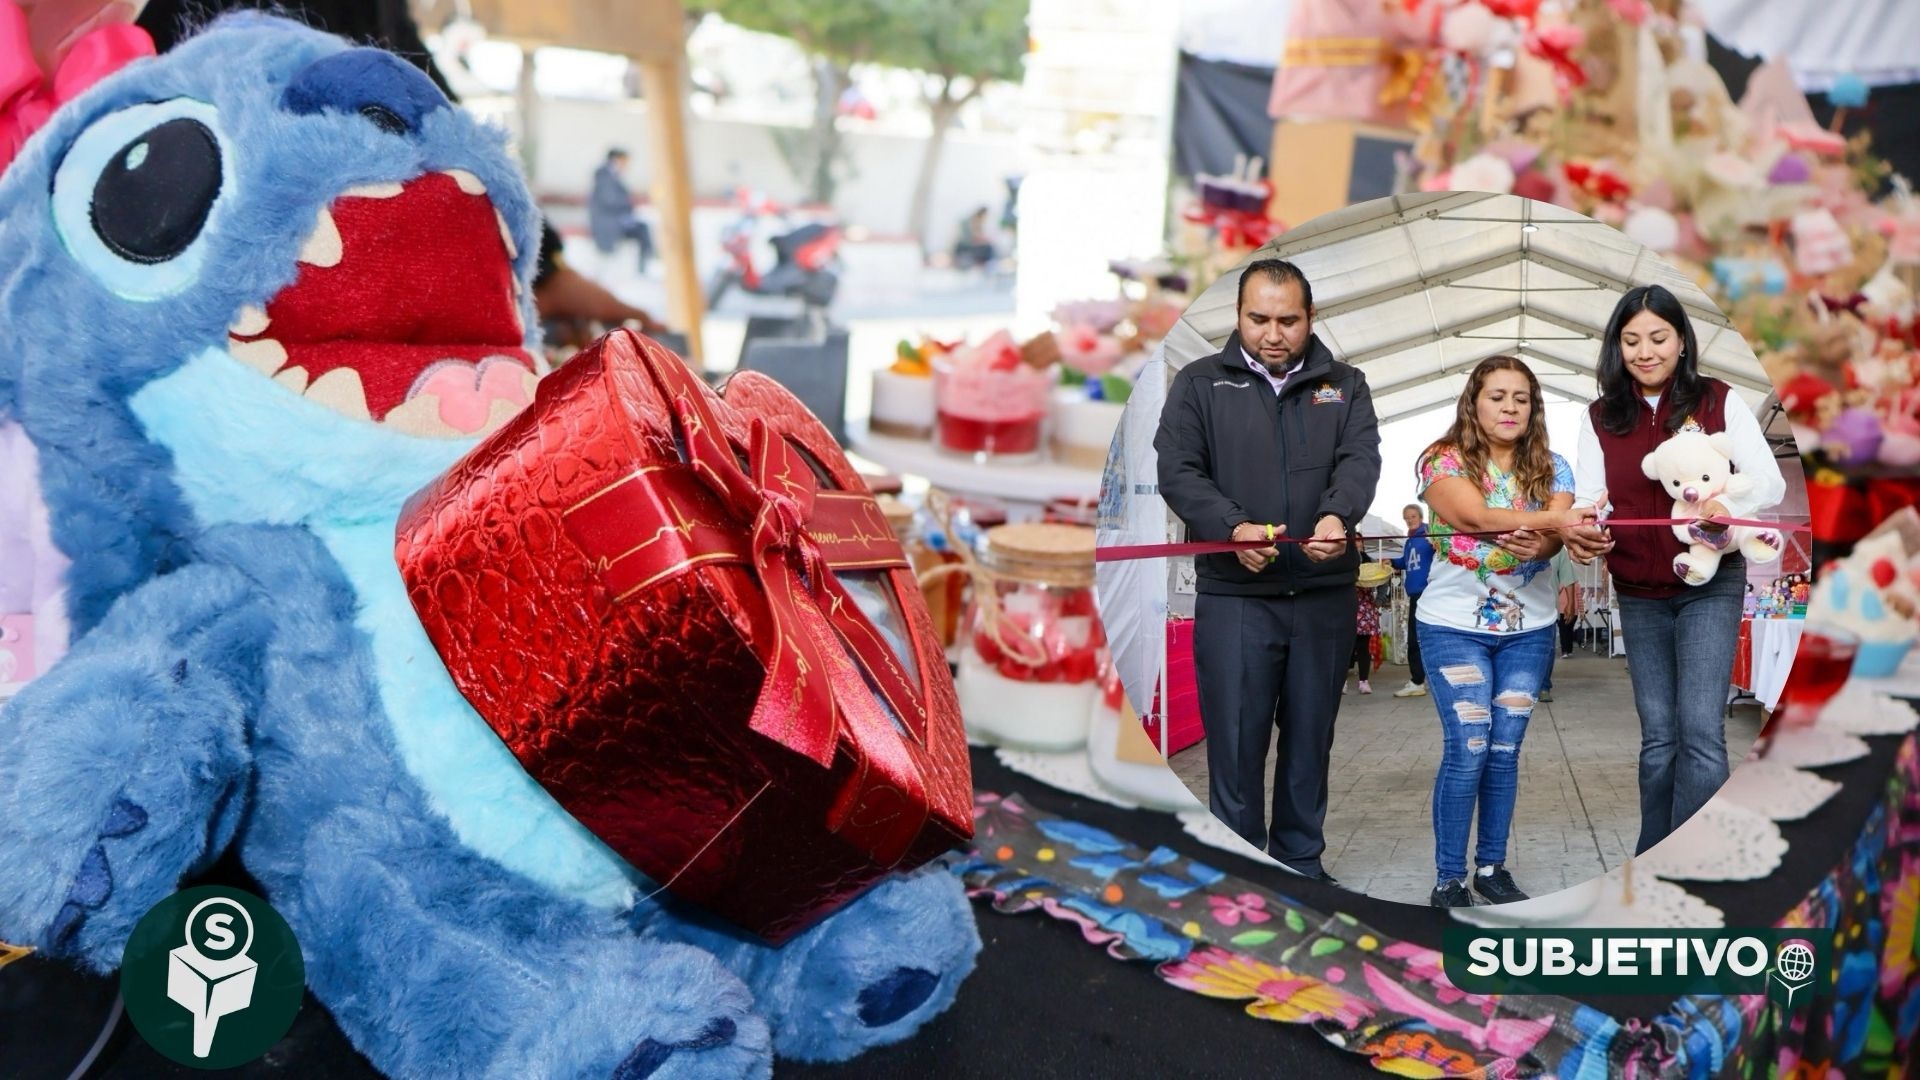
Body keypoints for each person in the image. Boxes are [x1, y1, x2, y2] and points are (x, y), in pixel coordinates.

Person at [1155, 258, 1381, 887]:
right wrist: (1230, 528)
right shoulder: (1200, 384)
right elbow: (1178, 468)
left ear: (1311, 319)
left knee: (1311, 740)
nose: (1273, 334)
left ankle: (1302, 864)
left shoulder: (1347, 385)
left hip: (1322, 597)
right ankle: (1240, 871)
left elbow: (1360, 459)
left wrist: (1339, 516)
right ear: (1238, 317)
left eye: (1288, 320)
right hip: (1236, 599)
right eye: (1259, 319)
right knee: (1234, 741)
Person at [1562, 285, 1786, 854]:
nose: (1645, 351)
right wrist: (1585, 529)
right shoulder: (1601, 416)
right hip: (1638, 590)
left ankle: (1692, 864)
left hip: (1711, 585)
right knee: (1658, 739)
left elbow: (1768, 479)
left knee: (1702, 734)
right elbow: (1592, 497)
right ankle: (1651, 855)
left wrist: (1727, 506)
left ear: (1681, 340)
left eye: (1658, 338)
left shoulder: (1719, 400)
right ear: (1616, 346)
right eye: (1631, 340)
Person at [1414, 356, 1590, 908]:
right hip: (1451, 629)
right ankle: (1449, 879)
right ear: (1474, 402)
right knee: (1468, 746)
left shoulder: (1555, 468)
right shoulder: (1442, 461)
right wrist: (1557, 521)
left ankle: (1491, 868)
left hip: (1528, 631)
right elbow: (1471, 518)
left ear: (1534, 408)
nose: (1510, 406)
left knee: (1504, 749)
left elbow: (1552, 544)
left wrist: (1540, 542)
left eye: (1521, 397)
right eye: (1497, 396)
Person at [590, 148, 656, 275]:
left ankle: (646, 262)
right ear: (617, 159)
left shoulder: (611, 175)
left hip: (616, 219)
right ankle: (646, 264)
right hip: (609, 222)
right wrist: (630, 202)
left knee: (642, 227)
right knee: (642, 229)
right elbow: (610, 200)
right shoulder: (604, 175)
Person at [1390, 503, 1433, 697]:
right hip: (1415, 593)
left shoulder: (1429, 534)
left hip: (1427, 592)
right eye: (1406, 516)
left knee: (1417, 639)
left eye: (1413, 516)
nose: (1410, 519)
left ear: (1420, 516)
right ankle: (1421, 678)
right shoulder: (1410, 540)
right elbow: (1406, 562)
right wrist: (1390, 562)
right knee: (1418, 638)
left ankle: (1417, 681)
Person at [1537, 546, 1581, 702]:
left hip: (1548, 608)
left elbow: (1568, 576)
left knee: (1547, 650)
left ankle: (1543, 687)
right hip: (1520, 609)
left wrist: (1570, 603)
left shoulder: (1556, 548)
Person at [1347, 559, 1384, 695]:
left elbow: (1382, 581)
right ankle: (1342, 681)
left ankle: (1364, 680)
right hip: (1348, 608)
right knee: (1346, 648)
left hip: (1365, 611)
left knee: (1364, 648)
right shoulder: (1342, 561)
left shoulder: (1369, 563)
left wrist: (1380, 599)